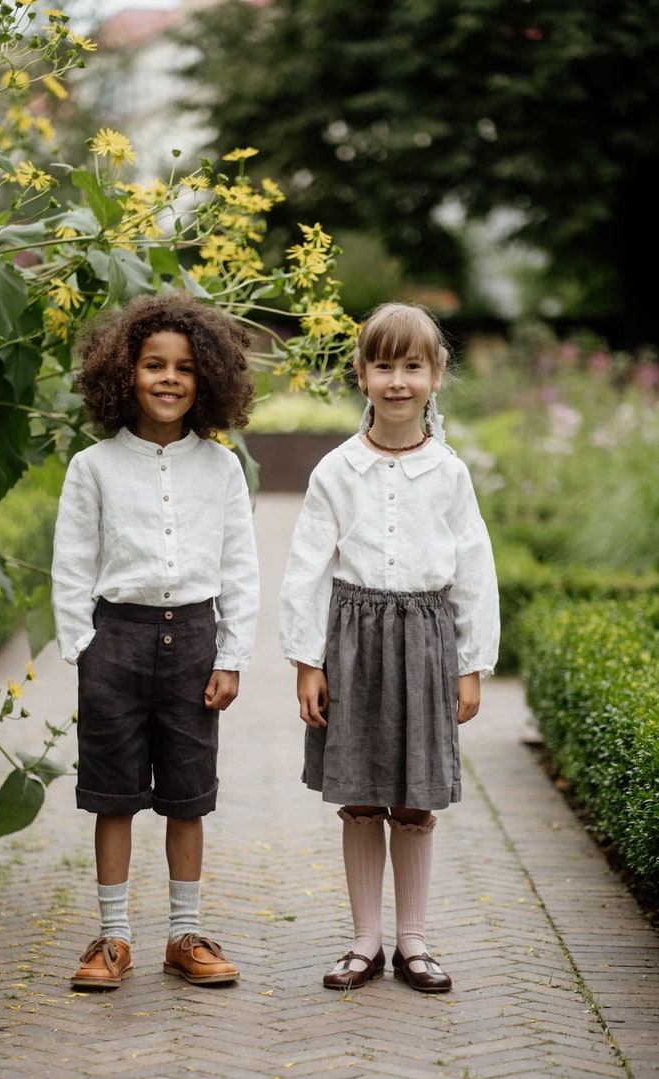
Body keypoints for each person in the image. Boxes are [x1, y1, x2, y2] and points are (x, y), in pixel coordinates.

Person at [279, 301, 499, 994]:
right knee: (361, 797)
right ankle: (364, 942)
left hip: (427, 644)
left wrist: (472, 664)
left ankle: (413, 941)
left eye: (412, 366)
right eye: (383, 365)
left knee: (413, 799)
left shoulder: (449, 473)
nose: (397, 380)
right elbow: (306, 568)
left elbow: (474, 567)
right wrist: (307, 660)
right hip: (355, 645)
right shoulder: (336, 471)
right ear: (361, 373)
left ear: (436, 376)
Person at [52, 291, 259, 991]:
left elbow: (240, 566)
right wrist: (83, 648)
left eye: (185, 368)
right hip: (117, 640)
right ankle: (112, 938)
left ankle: (184, 934)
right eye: (153, 365)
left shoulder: (222, 468)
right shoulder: (94, 466)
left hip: (195, 643)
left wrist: (231, 655)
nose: (169, 379)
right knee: (113, 794)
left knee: (187, 795)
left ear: (208, 380)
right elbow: (73, 563)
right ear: (124, 374)